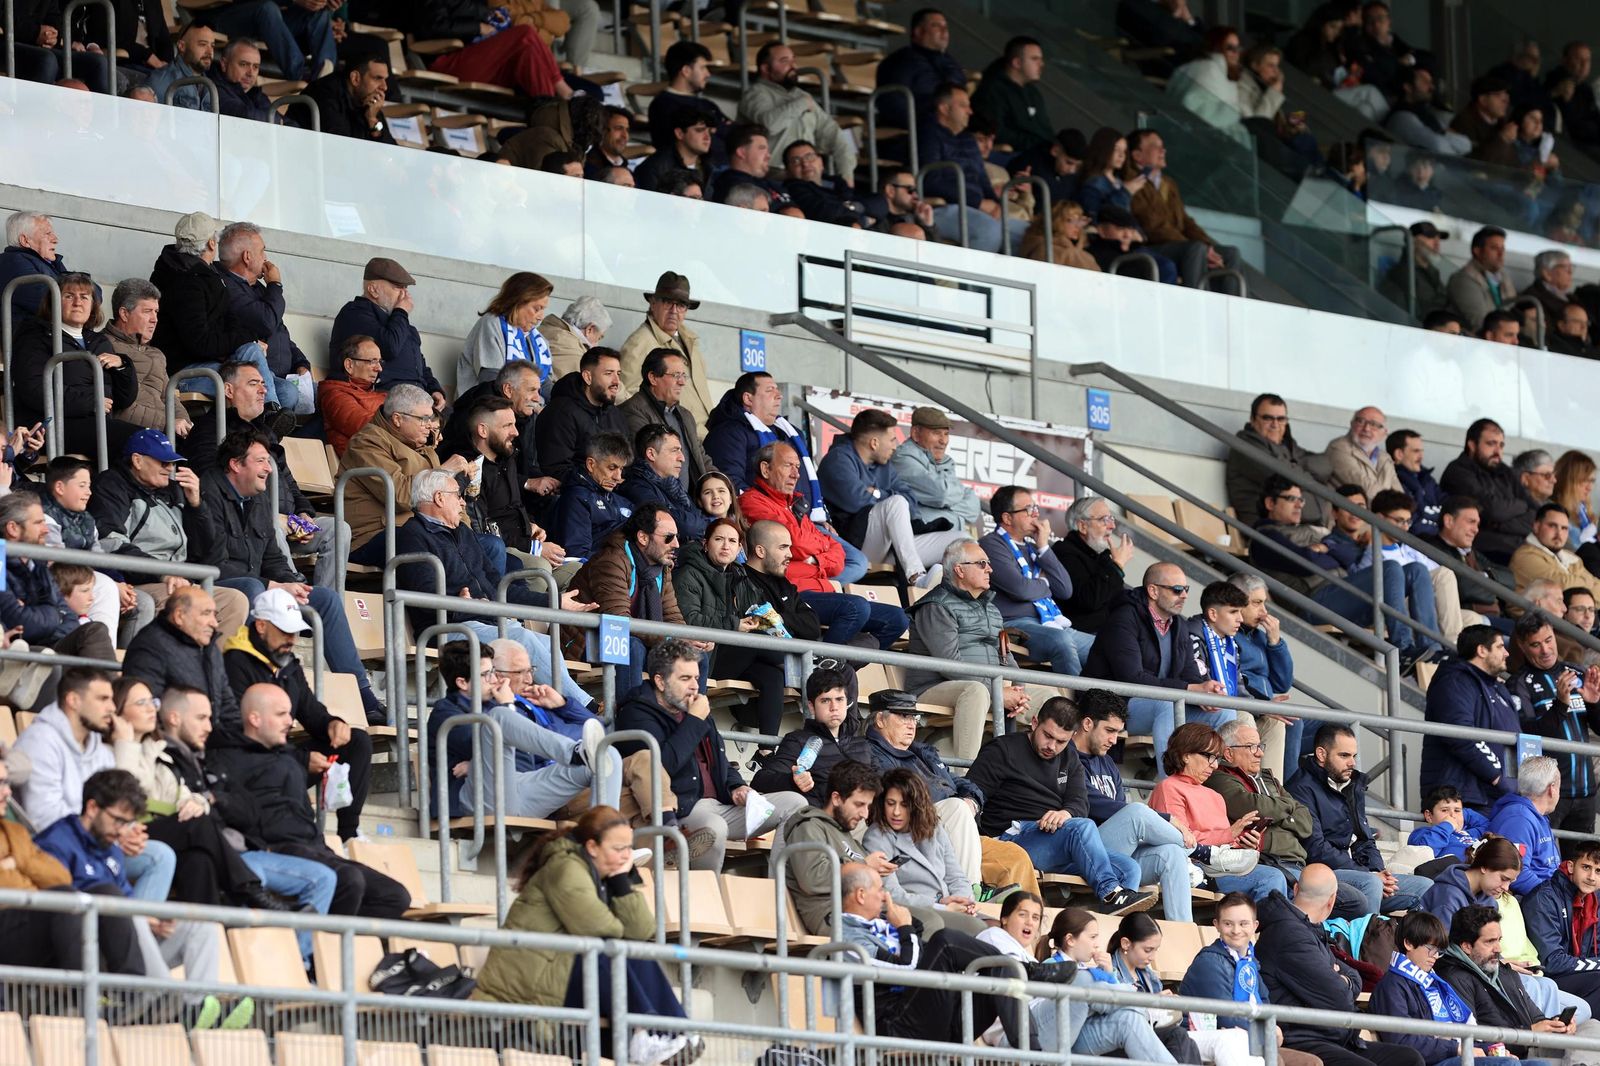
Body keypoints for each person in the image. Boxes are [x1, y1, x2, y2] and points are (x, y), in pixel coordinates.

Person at [469, 806, 698, 1064]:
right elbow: (598, 927)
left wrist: (622, 883)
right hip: (530, 981)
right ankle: (646, 1032)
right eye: (618, 848)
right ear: (592, 847)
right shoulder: (565, 867)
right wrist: (618, 907)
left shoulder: (606, 873)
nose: (626, 856)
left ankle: (673, 1033)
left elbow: (642, 931)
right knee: (607, 953)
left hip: (561, 969)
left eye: (628, 848)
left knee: (634, 951)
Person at [196, 428, 383, 720]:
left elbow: (272, 554)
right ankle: (249, 679)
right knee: (251, 588)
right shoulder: (208, 493)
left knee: (325, 599)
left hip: (259, 586)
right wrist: (271, 584)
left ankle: (365, 698)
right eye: (260, 461)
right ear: (235, 464)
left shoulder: (257, 499)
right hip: (219, 588)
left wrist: (292, 583)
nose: (269, 468)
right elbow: (213, 563)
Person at [392, 469, 597, 713]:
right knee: (523, 640)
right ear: (438, 498)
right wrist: (458, 603)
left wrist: (554, 601)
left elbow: (500, 589)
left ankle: (558, 712)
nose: (461, 502)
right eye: (457, 495)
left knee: (546, 642)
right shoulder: (411, 536)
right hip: (449, 628)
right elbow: (422, 594)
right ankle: (587, 709)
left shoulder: (463, 533)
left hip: (485, 620)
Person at [206, 683, 407, 918]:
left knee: (396, 896)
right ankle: (319, 947)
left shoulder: (289, 759)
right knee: (349, 882)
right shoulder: (228, 759)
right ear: (255, 719)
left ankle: (321, 937)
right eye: (280, 714)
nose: (289, 722)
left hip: (315, 848)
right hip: (276, 850)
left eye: (289, 714)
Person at [614, 640, 806, 869]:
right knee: (714, 827)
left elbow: (720, 760)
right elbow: (660, 767)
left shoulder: (695, 710)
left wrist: (736, 786)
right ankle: (704, 894)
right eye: (685, 679)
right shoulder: (635, 713)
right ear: (660, 682)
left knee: (796, 804)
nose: (694, 686)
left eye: (696, 678)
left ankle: (778, 890)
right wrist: (695, 720)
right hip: (682, 809)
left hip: (720, 804)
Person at [1074, 689, 1260, 920]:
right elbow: (1092, 804)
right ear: (1087, 723)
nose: (1114, 740)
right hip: (1086, 850)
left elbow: (1119, 811)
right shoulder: (1067, 758)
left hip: (1120, 854)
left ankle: (1183, 931)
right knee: (1137, 811)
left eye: (1117, 732)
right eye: (1109, 731)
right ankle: (1206, 854)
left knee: (1171, 853)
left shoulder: (1108, 763)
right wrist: (1168, 820)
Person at [965, 697, 1156, 913]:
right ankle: (1111, 894)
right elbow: (973, 793)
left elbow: (1080, 802)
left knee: (1128, 868)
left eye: (1061, 741)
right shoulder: (1003, 750)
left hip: (1054, 840)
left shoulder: (1069, 757)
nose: (1052, 746)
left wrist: (1066, 812)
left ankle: (1118, 930)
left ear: (1072, 737)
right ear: (1035, 723)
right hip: (1010, 837)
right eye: (1048, 736)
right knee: (1081, 827)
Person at [844, 689, 1040, 899]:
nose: (912, 724)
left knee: (1015, 856)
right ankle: (970, 893)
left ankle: (1027, 923)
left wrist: (972, 801)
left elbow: (960, 782)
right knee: (956, 808)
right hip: (915, 832)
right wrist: (958, 805)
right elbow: (897, 797)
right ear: (880, 721)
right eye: (903, 717)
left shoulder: (921, 752)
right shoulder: (867, 752)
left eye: (913, 717)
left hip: (956, 829)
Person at [835, 860, 1036, 1049]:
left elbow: (919, 946)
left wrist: (906, 926)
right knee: (945, 942)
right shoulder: (848, 938)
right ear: (861, 895)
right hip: (899, 1026)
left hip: (935, 1018)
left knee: (997, 975)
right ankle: (1027, 970)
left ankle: (1034, 1053)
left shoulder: (881, 923)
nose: (885, 895)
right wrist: (905, 928)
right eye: (879, 889)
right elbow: (908, 969)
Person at [222, 587, 375, 837]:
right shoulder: (235, 663)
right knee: (291, 770)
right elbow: (241, 734)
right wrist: (301, 760)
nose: (292, 639)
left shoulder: (287, 662)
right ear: (261, 626)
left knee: (357, 741)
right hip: (249, 763)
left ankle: (350, 835)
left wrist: (332, 724)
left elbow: (311, 710)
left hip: (285, 757)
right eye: (285, 630)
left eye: (295, 632)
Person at [1256, 863, 1427, 1066]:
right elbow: (1339, 997)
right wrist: (1342, 979)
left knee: (1409, 1059)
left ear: (1294, 890)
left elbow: (1352, 975)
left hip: (1333, 1036)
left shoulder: (1309, 929)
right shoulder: (1290, 933)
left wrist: (1344, 978)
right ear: (1332, 900)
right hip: (1302, 1038)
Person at [741, 443, 907, 648]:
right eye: (788, 466)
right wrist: (815, 549)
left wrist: (814, 559)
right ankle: (822, 668)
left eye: (798, 468)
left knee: (897, 618)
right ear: (766, 469)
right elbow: (796, 542)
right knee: (856, 608)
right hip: (792, 594)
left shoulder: (795, 506)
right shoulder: (752, 501)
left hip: (822, 588)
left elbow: (837, 554)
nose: (796, 474)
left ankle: (838, 663)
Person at [904, 538, 1054, 759]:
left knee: (1049, 697)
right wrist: (998, 691)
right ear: (959, 570)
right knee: (976, 691)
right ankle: (968, 780)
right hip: (935, 686)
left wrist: (1016, 690)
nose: (990, 569)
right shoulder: (935, 605)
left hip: (989, 686)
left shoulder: (991, 609)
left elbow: (1006, 655)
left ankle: (1040, 778)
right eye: (982, 563)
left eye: (989, 563)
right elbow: (949, 664)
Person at [87, 429, 247, 632]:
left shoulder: (174, 490)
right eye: (163, 462)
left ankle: (208, 664)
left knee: (235, 601)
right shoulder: (113, 485)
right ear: (137, 460)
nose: (170, 468)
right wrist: (162, 573)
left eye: (172, 463)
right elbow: (111, 543)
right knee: (189, 604)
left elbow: (211, 554)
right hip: (137, 580)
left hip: (180, 580)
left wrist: (197, 505)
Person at [1083, 562, 1220, 772]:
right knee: (1166, 704)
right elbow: (1132, 678)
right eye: (1176, 590)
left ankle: (1215, 788)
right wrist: (1188, 690)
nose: (1183, 595)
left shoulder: (1179, 624)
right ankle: (1173, 786)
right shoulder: (1124, 618)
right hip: (1117, 704)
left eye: (1186, 590)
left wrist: (1205, 689)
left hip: (1158, 704)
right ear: (1153, 591)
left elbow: (1189, 673)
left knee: (1224, 711)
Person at [1286, 723, 1431, 913]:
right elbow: (1316, 849)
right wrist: (1368, 875)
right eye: (1344, 755)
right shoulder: (1300, 788)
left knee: (1427, 887)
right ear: (1321, 755)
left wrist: (1378, 871)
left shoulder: (1351, 785)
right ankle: (1370, 939)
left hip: (1361, 875)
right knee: (1371, 883)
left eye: (1354, 756)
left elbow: (1365, 839)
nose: (1352, 763)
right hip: (1323, 876)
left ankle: (1416, 942)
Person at [818, 408, 963, 588]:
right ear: (874, 443)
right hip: (854, 547)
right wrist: (888, 499)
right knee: (896, 503)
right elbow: (856, 501)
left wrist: (876, 493)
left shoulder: (883, 465)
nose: (895, 446)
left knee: (961, 541)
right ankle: (916, 576)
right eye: (892, 440)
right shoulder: (838, 460)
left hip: (892, 547)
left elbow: (911, 502)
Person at [1180, 892, 1324, 1066]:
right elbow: (1226, 1017)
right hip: (1217, 1042)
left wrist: (1270, 1030)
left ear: (1255, 926)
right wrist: (1268, 1033)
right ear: (1216, 925)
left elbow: (1264, 1002)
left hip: (1253, 1040)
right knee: (1275, 1060)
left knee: (1311, 1063)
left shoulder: (1249, 961)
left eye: (1243, 924)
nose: (1236, 930)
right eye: (1228, 924)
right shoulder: (1209, 962)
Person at [671, 519, 787, 736]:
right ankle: (801, 667)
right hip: (704, 657)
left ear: (739, 548)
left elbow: (752, 611)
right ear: (705, 544)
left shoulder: (740, 577)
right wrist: (734, 625)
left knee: (772, 675)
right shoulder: (688, 574)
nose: (726, 546)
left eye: (732, 541)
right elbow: (689, 620)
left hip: (733, 655)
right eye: (719, 539)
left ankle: (766, 752)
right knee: (755, 643)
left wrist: (761, 619)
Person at [1439, 904, 1592, 1066]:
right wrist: (1529, 1032)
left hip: (1531, 1042)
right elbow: (1475, 1038)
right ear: (1466, 946)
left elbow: (1537, 1018)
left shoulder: (1505, 972)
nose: (1498, 949)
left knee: (1592, 1026)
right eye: (1490, 942)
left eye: (1499, 940)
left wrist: (1555, 1023)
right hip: (1510, 1052)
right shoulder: (1453, 977)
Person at [566, 503, 694, 694]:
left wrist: (689, 639)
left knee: (693, 654)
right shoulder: (611, 561)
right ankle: (630, 716)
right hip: (585, 644)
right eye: (669, 538)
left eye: (677, 537)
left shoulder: (662, 569)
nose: (676, 544)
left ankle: (687, 720)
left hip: (634, 642)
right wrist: (671, 636)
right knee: (631, 647)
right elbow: (618, 623)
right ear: (642, 537)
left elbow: (673, 617)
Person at [9, 270, 138, 459]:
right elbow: (34, 389)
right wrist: (90, 402)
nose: (78, 302)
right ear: (53, 302)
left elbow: (123, 399)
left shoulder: (99, 341)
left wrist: (122, 366)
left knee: (159, 442)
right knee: (139, 440)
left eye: (84, 297)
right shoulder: (35, 337)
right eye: (69, 296)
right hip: (51, 426)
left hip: (96, 424)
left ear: (93, 305)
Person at [341, 384, 471, 563]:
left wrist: (465, 531)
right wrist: (443, 472)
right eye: (423, 419)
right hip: (375, 535)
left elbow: (449, 500)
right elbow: (399, 495)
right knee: (437, 548)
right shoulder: (367, 442)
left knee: (492, 548)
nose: (429, 426)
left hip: (421, 531)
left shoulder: (426, 451)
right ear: (397, 419)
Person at [980, 485, 1096, 675]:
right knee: (1061, 640)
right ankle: (1078, 703)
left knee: (1106, 647)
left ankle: (1109, 703)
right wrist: (1044, 583)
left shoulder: (1033, 548)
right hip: (1015, 625)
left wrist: (1043, 547)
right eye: (1028, 510)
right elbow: (1020, 589)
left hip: (1049, 622)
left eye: (1035, 508)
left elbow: (1065, 589)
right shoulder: (991, 544)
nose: (1035, 514)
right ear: (1007, 517)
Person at [1039, 906, 1180, 1061]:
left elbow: (1108, 997)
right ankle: (1148, 1009)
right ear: (1071, 940)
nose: (1097, 944)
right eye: (1092, 937)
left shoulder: (1085, 968)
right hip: (1058, 1037)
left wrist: (1108, 973)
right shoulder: (1051, 965)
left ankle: (1148, 1010)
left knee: (1130, 1018)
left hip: (1081, 1032)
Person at [40, 456, 154, 645]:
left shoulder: (86, 518)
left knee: (141, 603)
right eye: (82, 486)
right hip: (61, 583)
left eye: (89, 486)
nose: (89, 492)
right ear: (60, 488)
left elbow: (99, 558)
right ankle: (101, 659)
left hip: (86, 579)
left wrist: (120, 583)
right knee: (106, 588)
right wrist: (113, 585)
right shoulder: (43, 517)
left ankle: (126, 669)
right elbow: (58, 566)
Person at [0, 491, 118, 673]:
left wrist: (49, 613)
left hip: (50, 644)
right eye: (38, 523)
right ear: (13, 528)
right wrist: (55, 614)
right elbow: (19, 622)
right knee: (50, 658)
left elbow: (68, 615)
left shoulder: (37, 560)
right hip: (21, 648)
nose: (46, 530)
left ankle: (107, 697)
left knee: (94, 630)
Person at [1508, 611, 1600, 832]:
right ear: (1522, 646)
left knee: (1581, 864)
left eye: (1549, 640)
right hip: (1547, 793)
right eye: (1535, 645)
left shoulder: (1577, 673)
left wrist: (1594, 703)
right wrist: (1560, 704)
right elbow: (1530, 736)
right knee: (1546, 863)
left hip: (1586, 791)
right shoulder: (1518, 684)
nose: (1546, 650)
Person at [861, 767, 984, 923]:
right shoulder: (877, 837)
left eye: (904, 805)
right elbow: (891, 894)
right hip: (918, 915)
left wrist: (963, 901)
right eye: (891, 803)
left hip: (949, 909)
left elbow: (956, 876)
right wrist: (940, 906)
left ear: (917, 805)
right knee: (982, 930)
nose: (896, 812)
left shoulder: (933, 827)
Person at [1125, 128, 1241, 288]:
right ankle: (1198, 305)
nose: (1162, 150)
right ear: (1137, 155)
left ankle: (1232, 309)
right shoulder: (1132, 181)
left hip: (1179, 244)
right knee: (1195, 250)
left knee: (1230, 254)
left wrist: (1208, 247)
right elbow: (1152, 225)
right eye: (1155, 146)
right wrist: (1195, 247)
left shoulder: (1169, 183)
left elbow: (1186, 222)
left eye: (1162, 146)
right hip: (1152, 246)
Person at [916, 83, 1026, 253]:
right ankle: (968, 281)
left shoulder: (968, 140)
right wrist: (977, 201)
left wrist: (996, 205)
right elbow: (930, 180)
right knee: (987, 231)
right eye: (963, 106)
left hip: (974, 209)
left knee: (1031, 235)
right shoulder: (928, 134)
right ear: (944, 108)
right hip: (942, 207)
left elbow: (982, 179)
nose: (970, 111)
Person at [1368, 912, 1488, 1066]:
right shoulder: (1392, 986)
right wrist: (1455, 1048)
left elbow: (1458, 1036)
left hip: (1450, 1055)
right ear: (1409, 943)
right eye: (1431, 948)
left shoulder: (1433, 982)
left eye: (1439, 951)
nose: (1435, 956)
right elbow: (1402, 1042)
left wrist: (1490, 1048)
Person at [1423, 625, 1520, 814]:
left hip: (1495, 795)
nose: (1507, 653)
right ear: (1482, 650)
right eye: (1500, 647)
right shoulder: (1455, 680)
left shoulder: (1497, 687)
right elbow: (1461, 735)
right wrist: (1497, 777)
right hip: (1466, 798)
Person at [327, 256, 444, 403]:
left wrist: (435, 389)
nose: (405, 295)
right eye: (398, 288)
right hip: (383, 398)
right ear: (373, 290)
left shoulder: (400, 323)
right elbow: (389, 347)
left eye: (405, 289)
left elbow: (419, 364)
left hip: (416, 398)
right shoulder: (355, 313)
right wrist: (401, 312)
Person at [750, 665, 860, 803]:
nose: (834, 707)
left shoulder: (862, 745)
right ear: (812, 707)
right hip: (821, 817)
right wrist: (792, 780)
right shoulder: (799, 741)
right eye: (825, 701)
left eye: (839, 699)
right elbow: (761, 780)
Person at [617, 272, 713, 427]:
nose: (674, 310)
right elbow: (627, 398)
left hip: (702, 433)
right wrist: (664, 428)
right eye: (668, 302)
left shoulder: (689, 340)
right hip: (676, 436)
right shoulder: (640, 342)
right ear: (653, 303)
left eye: (681, 305)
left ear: (686, 310)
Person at [1228, 572, 1301, 775]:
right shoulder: (1227, 634)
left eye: (1264, 603)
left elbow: (1282, 683)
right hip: (1245, 709)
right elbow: (1234, 681)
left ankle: (1286, 794)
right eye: (1257, 603)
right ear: (1237, 601)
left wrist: (1275, 641)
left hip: (1265, 708)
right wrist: (1262, 704)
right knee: (1282, 721)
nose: (1264, 611)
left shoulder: (1261, 636)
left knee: (1326, 727)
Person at [618, 348, 714, 491]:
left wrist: (720, 484)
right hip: (659, 500)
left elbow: (701, 457)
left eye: (683, 376)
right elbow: (646, 463)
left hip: (690, 503)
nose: (682, 382)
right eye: (675, 375)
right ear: (653, 378)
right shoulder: (632, 411)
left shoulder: (686, 415)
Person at [1226, 393, 1328, 526]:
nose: (1275, 424)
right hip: (1266, 529)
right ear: (1253, 419)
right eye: (1268, 418)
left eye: (1281, 419)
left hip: (1296, 525)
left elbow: (1326, 466)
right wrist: (1306, 477)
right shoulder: (1245, 446)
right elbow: (1282, 476)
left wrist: (1294, 469)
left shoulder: (1287, 445)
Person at [1524, 838, 1600, 1014]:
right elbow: (1551, 962)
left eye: (1598, 871)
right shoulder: (1544, 898)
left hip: (1574, 973)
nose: (1591, 877)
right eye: (1586, 867)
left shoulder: (1594, 901)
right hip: (1545, 978)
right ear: (1571, 867)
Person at [534, 347, 628, 484]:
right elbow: (556, 469)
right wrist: (599, 480)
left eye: (618, 374)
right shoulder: (561, 412)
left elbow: (628, 462)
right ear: (588, 377)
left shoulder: (614, 413)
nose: (616, 381)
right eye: (608, 373)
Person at [457, 271, 554, 398]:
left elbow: (545, 384)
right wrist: (535, 407)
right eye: (537, 309)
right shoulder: (492, 324)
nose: (541, 317)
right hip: (486, 409)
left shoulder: (536, 338)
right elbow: (491, 380)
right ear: (518, 302)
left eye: (543, 309)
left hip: (526, 411)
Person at [104, 278, 181, 435]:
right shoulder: (104, 346)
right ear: (124, 314)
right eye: (147, 311)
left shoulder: (156, 353)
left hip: (165, 432)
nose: (155, 319)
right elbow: (119, 407)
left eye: (156, 312)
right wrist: (167, 424)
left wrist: (184, 422)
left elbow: (170, 398)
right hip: (133, 435)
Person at [1052, 496, 1136, 634]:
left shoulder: (1101, 555)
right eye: (1104, 520)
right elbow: (1089, 600)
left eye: (1112, 519)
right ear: (1083, 526)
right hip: (1082, 634)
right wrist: (1117, 565)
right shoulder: (1064, 552)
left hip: (1111, 633)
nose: (1112, 526)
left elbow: (1116, 598)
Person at [874, 7, 965, 129]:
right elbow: (893, 104)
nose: (944, 31)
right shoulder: (900, 62)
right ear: (919, 32)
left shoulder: (952, 63)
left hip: (949, 131)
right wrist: (923, 125)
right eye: (936, 26)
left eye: (946, 27)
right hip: (916, 133)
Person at [1484, 756, 1562, 897]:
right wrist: (1553, 899)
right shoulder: (1518, 819)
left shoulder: (1536, 815)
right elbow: (1515, 873)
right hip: (1533, 902)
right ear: (1552, 789)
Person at [552, 432, 634, 565]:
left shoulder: (622, 501)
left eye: (621, 469)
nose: (618, 477)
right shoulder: (577, 499)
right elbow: (577, 555)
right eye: (612, 468)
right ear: (591, 464)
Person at [618, 425, 706, 544]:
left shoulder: (674, 487)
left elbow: (700, 522)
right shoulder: (636, 488)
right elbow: (688, 527)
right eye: (674, 450)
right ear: (651, 454)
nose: (682, 458)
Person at [971, 36, 1053, 154]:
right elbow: (997, 132)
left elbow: (1046, 130)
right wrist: (1037, 144)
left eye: (1041, 59)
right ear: (1017, 63)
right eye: (1035, 59)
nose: (1042, 64)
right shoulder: (992, 89)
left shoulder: (1034, 93)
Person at [1513, 505, 1600, 609]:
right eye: (1552, 526)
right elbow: (1561, 585)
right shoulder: (1525, 556)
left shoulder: (1572, 558)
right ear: (1536, 526)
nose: (1559, 533)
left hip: (1572, 620)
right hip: (1533, 622)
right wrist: (1589, 582)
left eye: (1564, 528)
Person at [318, 336, 386, 458]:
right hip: (366, 467)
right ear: (349, 365)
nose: (379, 368)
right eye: (372, 361)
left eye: (379, 362)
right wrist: (407, 424)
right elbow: (366, 426)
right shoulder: (334, 396)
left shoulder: (380, 394)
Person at [305, 53, 394, 144]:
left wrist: (372, 120)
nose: (385, 87)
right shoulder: (325, 93)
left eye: (385, 79)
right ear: (355, 78)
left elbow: (391, 148)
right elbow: (342, 145)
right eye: (378, 78)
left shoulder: (369, 101)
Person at [1446, 227, 1518, 334]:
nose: (1501, 254)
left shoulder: (1503, 277)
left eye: (1502, 248)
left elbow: (1513, 311)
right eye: (1494, 248)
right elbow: (1480, 323)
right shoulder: (1463, 279)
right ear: (1477, 251)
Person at [632, 108, 715, 196]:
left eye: (709, 132)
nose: (707, 137)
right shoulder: (655, 167)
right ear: (679, 133)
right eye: (699, 130)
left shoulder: (708, 168)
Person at [1325, 407, 1402, 501]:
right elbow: (1367, 489)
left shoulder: (1384, 457)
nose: (1366, 428)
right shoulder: (1338, 448)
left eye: (1373, 424)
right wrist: (1394, 504)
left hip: (1380, 512)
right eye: (1360, 421)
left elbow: (1400, 494)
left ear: (1384, 433)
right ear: (1352, 424)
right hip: (1350, 512)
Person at [143, 21, 217, 110]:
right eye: (203, 44)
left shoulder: (209, 85)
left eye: (212, 46)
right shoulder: (160, 80)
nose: (210, 52)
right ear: (181, 46)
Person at [1408, 785, 1490, 864]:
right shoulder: (1423, 833)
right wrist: (1447, 825)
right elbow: (1424, 851)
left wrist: (1462, 814)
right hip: (1458, 873)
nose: (1452, 815)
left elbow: (1487, 825)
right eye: (1444, 810)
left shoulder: (1468, 833)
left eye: (1457, 811)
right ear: (1429, 816)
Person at [1387, 429, 1445, 537]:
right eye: (1416, 451)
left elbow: (1449, 508)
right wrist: (1443, 528)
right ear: (1399, 454)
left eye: (1422, 451)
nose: (1421, 456)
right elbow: (1414, 526)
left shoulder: (1427, 479)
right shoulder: (1393, 482)